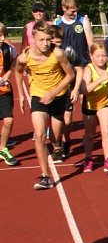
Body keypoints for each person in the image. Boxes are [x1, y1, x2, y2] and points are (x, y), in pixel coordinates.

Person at [14, 21, 74, 190]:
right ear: (33, 38)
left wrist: (54, 93)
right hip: (38, 97)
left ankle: (58, 145)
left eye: (48, 39)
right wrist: (21, 94)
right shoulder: (25, 57)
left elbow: (70, 75)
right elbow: (18, 72)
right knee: (40, 134)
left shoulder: (58, 54)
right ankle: (45, 176)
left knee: (54, 136)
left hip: (58, 98)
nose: (46, 43)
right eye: (41, 40)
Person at [55, 0, 94, 158]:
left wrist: (94, 66)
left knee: (89, 103)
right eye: (71, 10)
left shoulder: (82, 21)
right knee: (68, 117)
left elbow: (91, 44)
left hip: (82, 68)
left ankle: (90, 134)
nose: (73, 13)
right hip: (64, 71)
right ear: (64, 8)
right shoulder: (57, 23)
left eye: (75, 10)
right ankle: (65, 140)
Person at [81, 42, 108, 173]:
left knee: (106, 131)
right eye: (98, 56)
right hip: (90, 105)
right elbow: (84, 90)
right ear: (91, 56)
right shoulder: (89, 69)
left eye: (104, 55)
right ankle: (88, 158)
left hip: (105, 103)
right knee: (90, 135)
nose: (101, 58)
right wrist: (99, 80)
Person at [0, 23, 20, 165]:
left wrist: (8, 73)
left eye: (3, 35)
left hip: (3, 90)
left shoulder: (8, 49)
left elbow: (15, 59)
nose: (2, 38)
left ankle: (3, 149)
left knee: (8, 120)